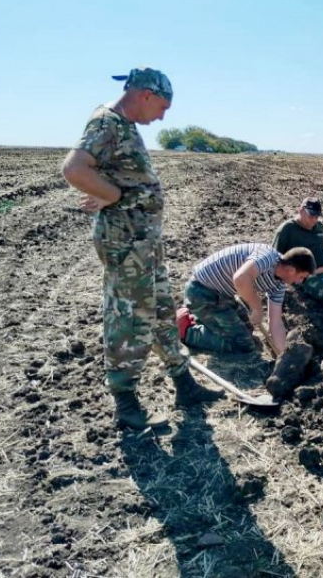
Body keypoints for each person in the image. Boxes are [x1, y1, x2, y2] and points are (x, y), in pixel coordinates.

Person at [61, 67, 221, 431]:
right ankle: (126, 404)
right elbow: (74, 168)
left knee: (163, 311)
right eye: (163, 106)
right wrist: (112, 195)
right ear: (146, 94)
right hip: (126, 245)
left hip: (144, 244)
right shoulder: (107, 122)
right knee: (129, 319)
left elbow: (114, 174)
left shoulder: (124, 127)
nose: (163, 116)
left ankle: (184, 384)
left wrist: (110, 192)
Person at [179, 244, 316, 357]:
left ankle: (201, 319)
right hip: (202, 292)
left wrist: (282, 355)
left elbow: (276, 321)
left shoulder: (279, 284)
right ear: (291, 270)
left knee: (248, 328)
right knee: (242, 344)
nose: (300, 282)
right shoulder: (267, 257)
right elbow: (240, 278)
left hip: (223, 296)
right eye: (302, 276)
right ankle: (187, 331)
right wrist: (256, 307)